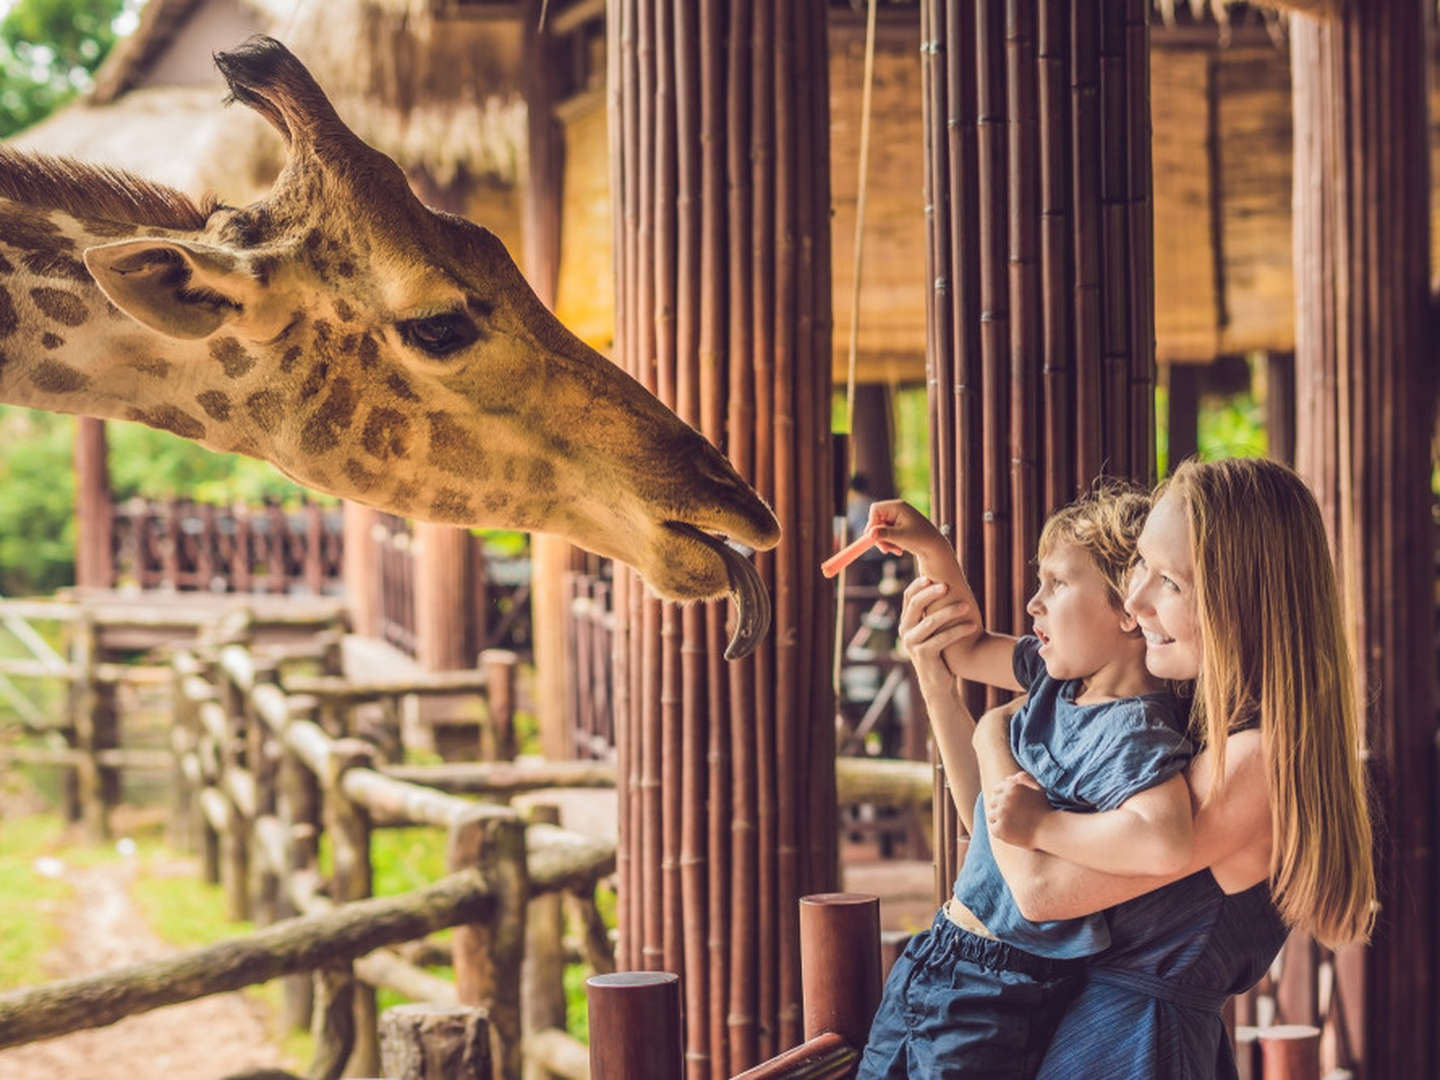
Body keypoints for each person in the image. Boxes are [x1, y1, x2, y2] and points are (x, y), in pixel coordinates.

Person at [907, 457, 1375, 1078]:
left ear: (1241, 600)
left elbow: (1039, 889)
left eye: (1170, 583)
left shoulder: (1254, 762)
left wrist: (996, 732)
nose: (1134, 599)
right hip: (1095, 1036)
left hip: (1138, 1050)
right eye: (1142, 570)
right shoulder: (1192, 719)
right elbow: (994, 843)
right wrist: (940, 686)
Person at [856, 485, 1196, 1079]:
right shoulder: (1054, 679)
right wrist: (932, 550)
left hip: (998, 991)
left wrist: (1043, 825)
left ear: (1126, 609)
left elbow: (1164, 834)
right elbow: (961, 649)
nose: (1034, 604)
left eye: (1057, 584)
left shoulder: (1135, 732)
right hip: (939, 951)